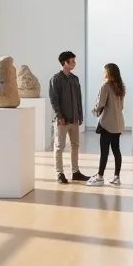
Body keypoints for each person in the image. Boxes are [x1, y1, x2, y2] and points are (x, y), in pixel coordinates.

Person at [49, 51, 88, 185]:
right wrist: (60, 116)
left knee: (75, 145)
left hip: (74, 119)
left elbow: (78, 99)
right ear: (64, 62)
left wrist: (80, 115)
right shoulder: (56, 79)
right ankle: (59, 173)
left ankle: (75, 172)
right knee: (59, 146)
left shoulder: (75, 79)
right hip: (62, 120)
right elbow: (54, 99)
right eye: (72, 61)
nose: (74, 63)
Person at [87, 63, 126, 186]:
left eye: (104, 71)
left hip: (107, 124)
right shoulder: (121, 87)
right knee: (116, 150)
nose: (103, 74)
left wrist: (94, 112)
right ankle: (116, 177)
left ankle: (99, 177)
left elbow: (100, 105)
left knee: (104, 151)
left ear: (109, 73)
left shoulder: (106, 86)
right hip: (118, 123)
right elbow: (122, 106)